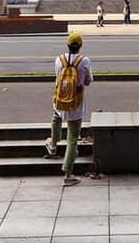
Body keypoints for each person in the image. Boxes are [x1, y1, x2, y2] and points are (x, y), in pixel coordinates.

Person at [45, 32, 93, 186]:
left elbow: (57, 77)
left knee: (56, 116)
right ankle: (68, 174)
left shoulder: (59, 60)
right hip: (76, 103)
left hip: (60, 99)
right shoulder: (83, 61)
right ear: (80, 46)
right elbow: (88, 81)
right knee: (72, 139)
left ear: (67, 45)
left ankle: (53, 144)